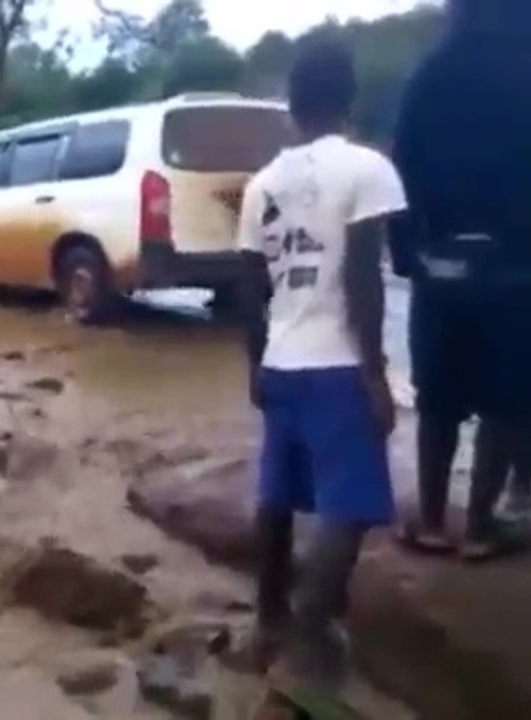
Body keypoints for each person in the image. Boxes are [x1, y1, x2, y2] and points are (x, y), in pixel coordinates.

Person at [237, 39, 405, 695]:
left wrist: (255, 367)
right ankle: (310, 631)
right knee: (352, 504)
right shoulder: (367, 170)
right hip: (338, 366)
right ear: (349, 97)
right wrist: (376, 374)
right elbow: (365, 278)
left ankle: (268, 619)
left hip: (282, 362)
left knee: (278, 495)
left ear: (291, 104)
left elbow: (252, 289)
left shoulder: (261, 185)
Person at [390, 0, 531, 561]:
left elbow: (401, 168)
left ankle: (429, 520)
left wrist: (407, 255)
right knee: (505, 400)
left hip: (439, 261)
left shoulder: (431, 73)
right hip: (517, 266)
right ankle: (478, 527)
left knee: (438, 397)